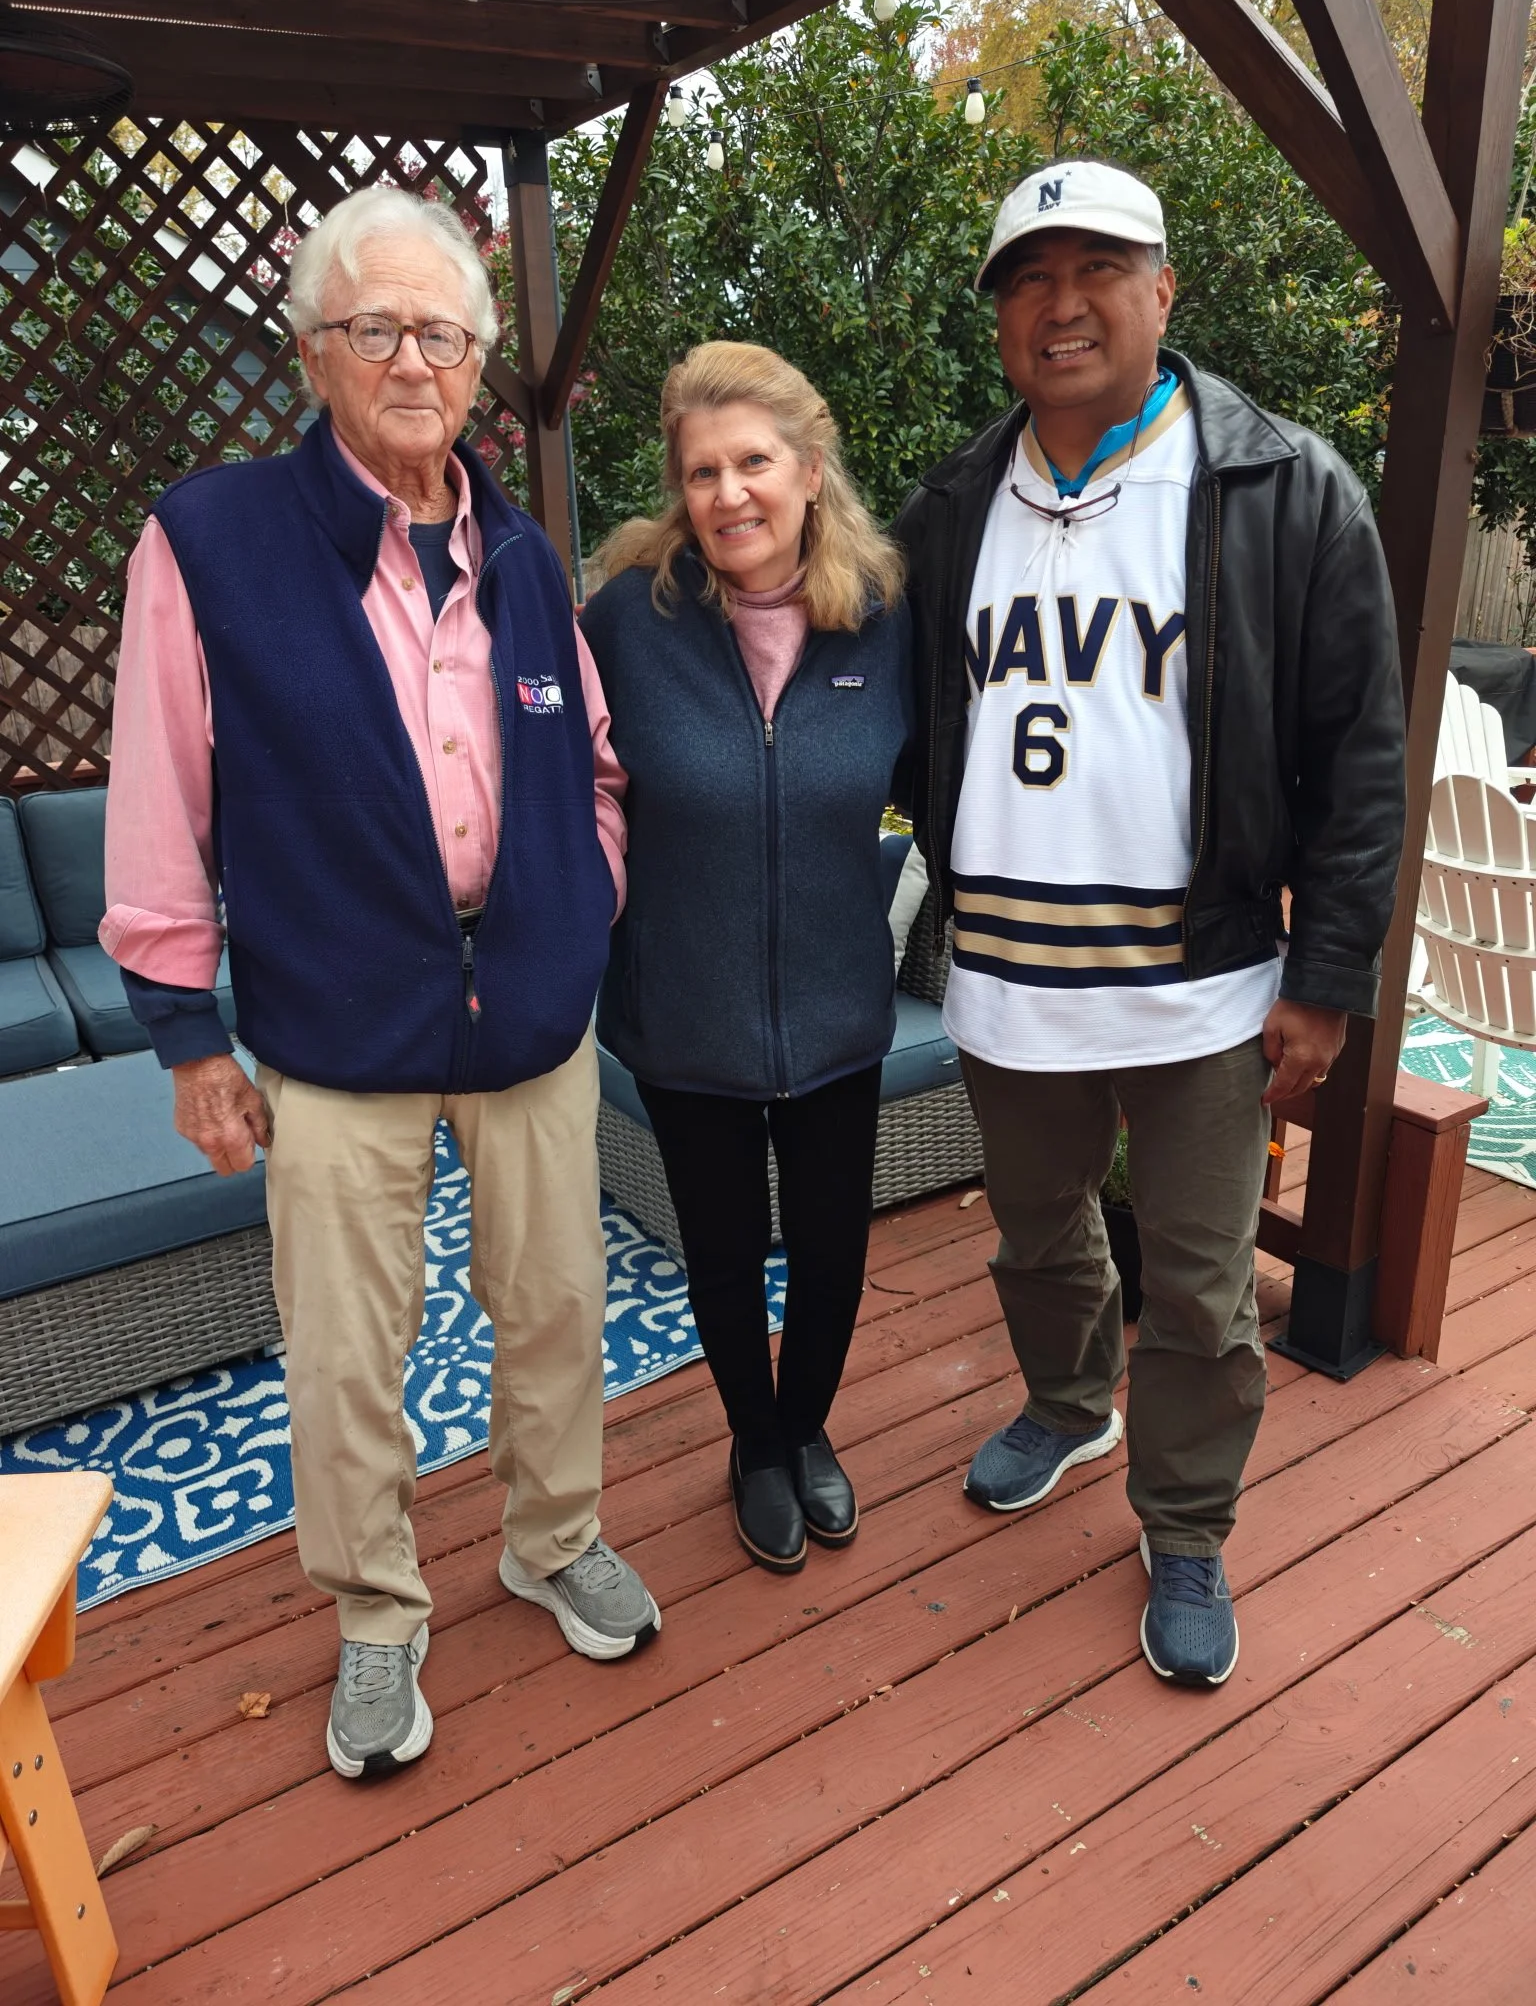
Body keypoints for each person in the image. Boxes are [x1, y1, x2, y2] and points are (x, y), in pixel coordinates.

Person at [101, 187, 659, 1782]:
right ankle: (374, 1610)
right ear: (312, 353)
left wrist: (579, 906)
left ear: (478, 363)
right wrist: (185, 1034)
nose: (415, 361)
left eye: (444, 333)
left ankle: (553, 1540)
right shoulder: (209, 542)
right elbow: (159, 800)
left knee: (556, 1306)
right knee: (349, 1349)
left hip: (531, 1019)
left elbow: (593, 763)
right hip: (336, 1030)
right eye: (377, 329)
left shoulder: (525, 553)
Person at [895, 160, 1405, 1686]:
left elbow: (1362, 756)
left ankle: (1184, 1525)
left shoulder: (1283, 487)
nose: (1061, 305)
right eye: (1028, 279)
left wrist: (1329, 976)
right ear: (1001, 318)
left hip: (1202, 986)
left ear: (1163, 290)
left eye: (1097, 270)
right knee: (1039, 1235)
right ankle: (1069, 1407)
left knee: (1199, 1283)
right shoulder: (949, 509)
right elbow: (911, 727)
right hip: (1009, 983)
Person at [580, 342, 911, 1575]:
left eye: (754, 462)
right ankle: (755, 1445)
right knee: (721, 1255)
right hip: (685, 1011)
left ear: (810, 470)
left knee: (832, 1251)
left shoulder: (884, 616)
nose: (729, 494)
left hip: (835, 1009)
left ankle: (806, 1423)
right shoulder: (628, 619)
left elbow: (947, 780)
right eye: (702, 471)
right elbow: (572, 789)